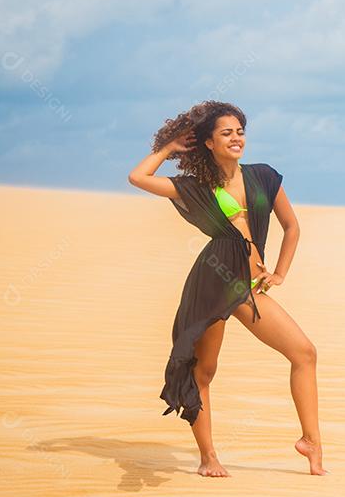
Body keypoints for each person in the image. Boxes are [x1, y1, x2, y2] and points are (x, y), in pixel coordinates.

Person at [128, 100, 327, 476]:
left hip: (249, 286)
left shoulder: (264, 176)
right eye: (226, 133)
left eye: (240, 131)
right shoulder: (195, 187)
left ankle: (311, 442)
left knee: (304, 353)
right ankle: (208, 458)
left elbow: (292, 227)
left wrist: (280, 273)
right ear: (207, 142)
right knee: (204, 372)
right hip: (214, 282)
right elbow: (138, 178)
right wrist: (169, 148)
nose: (236, 138)